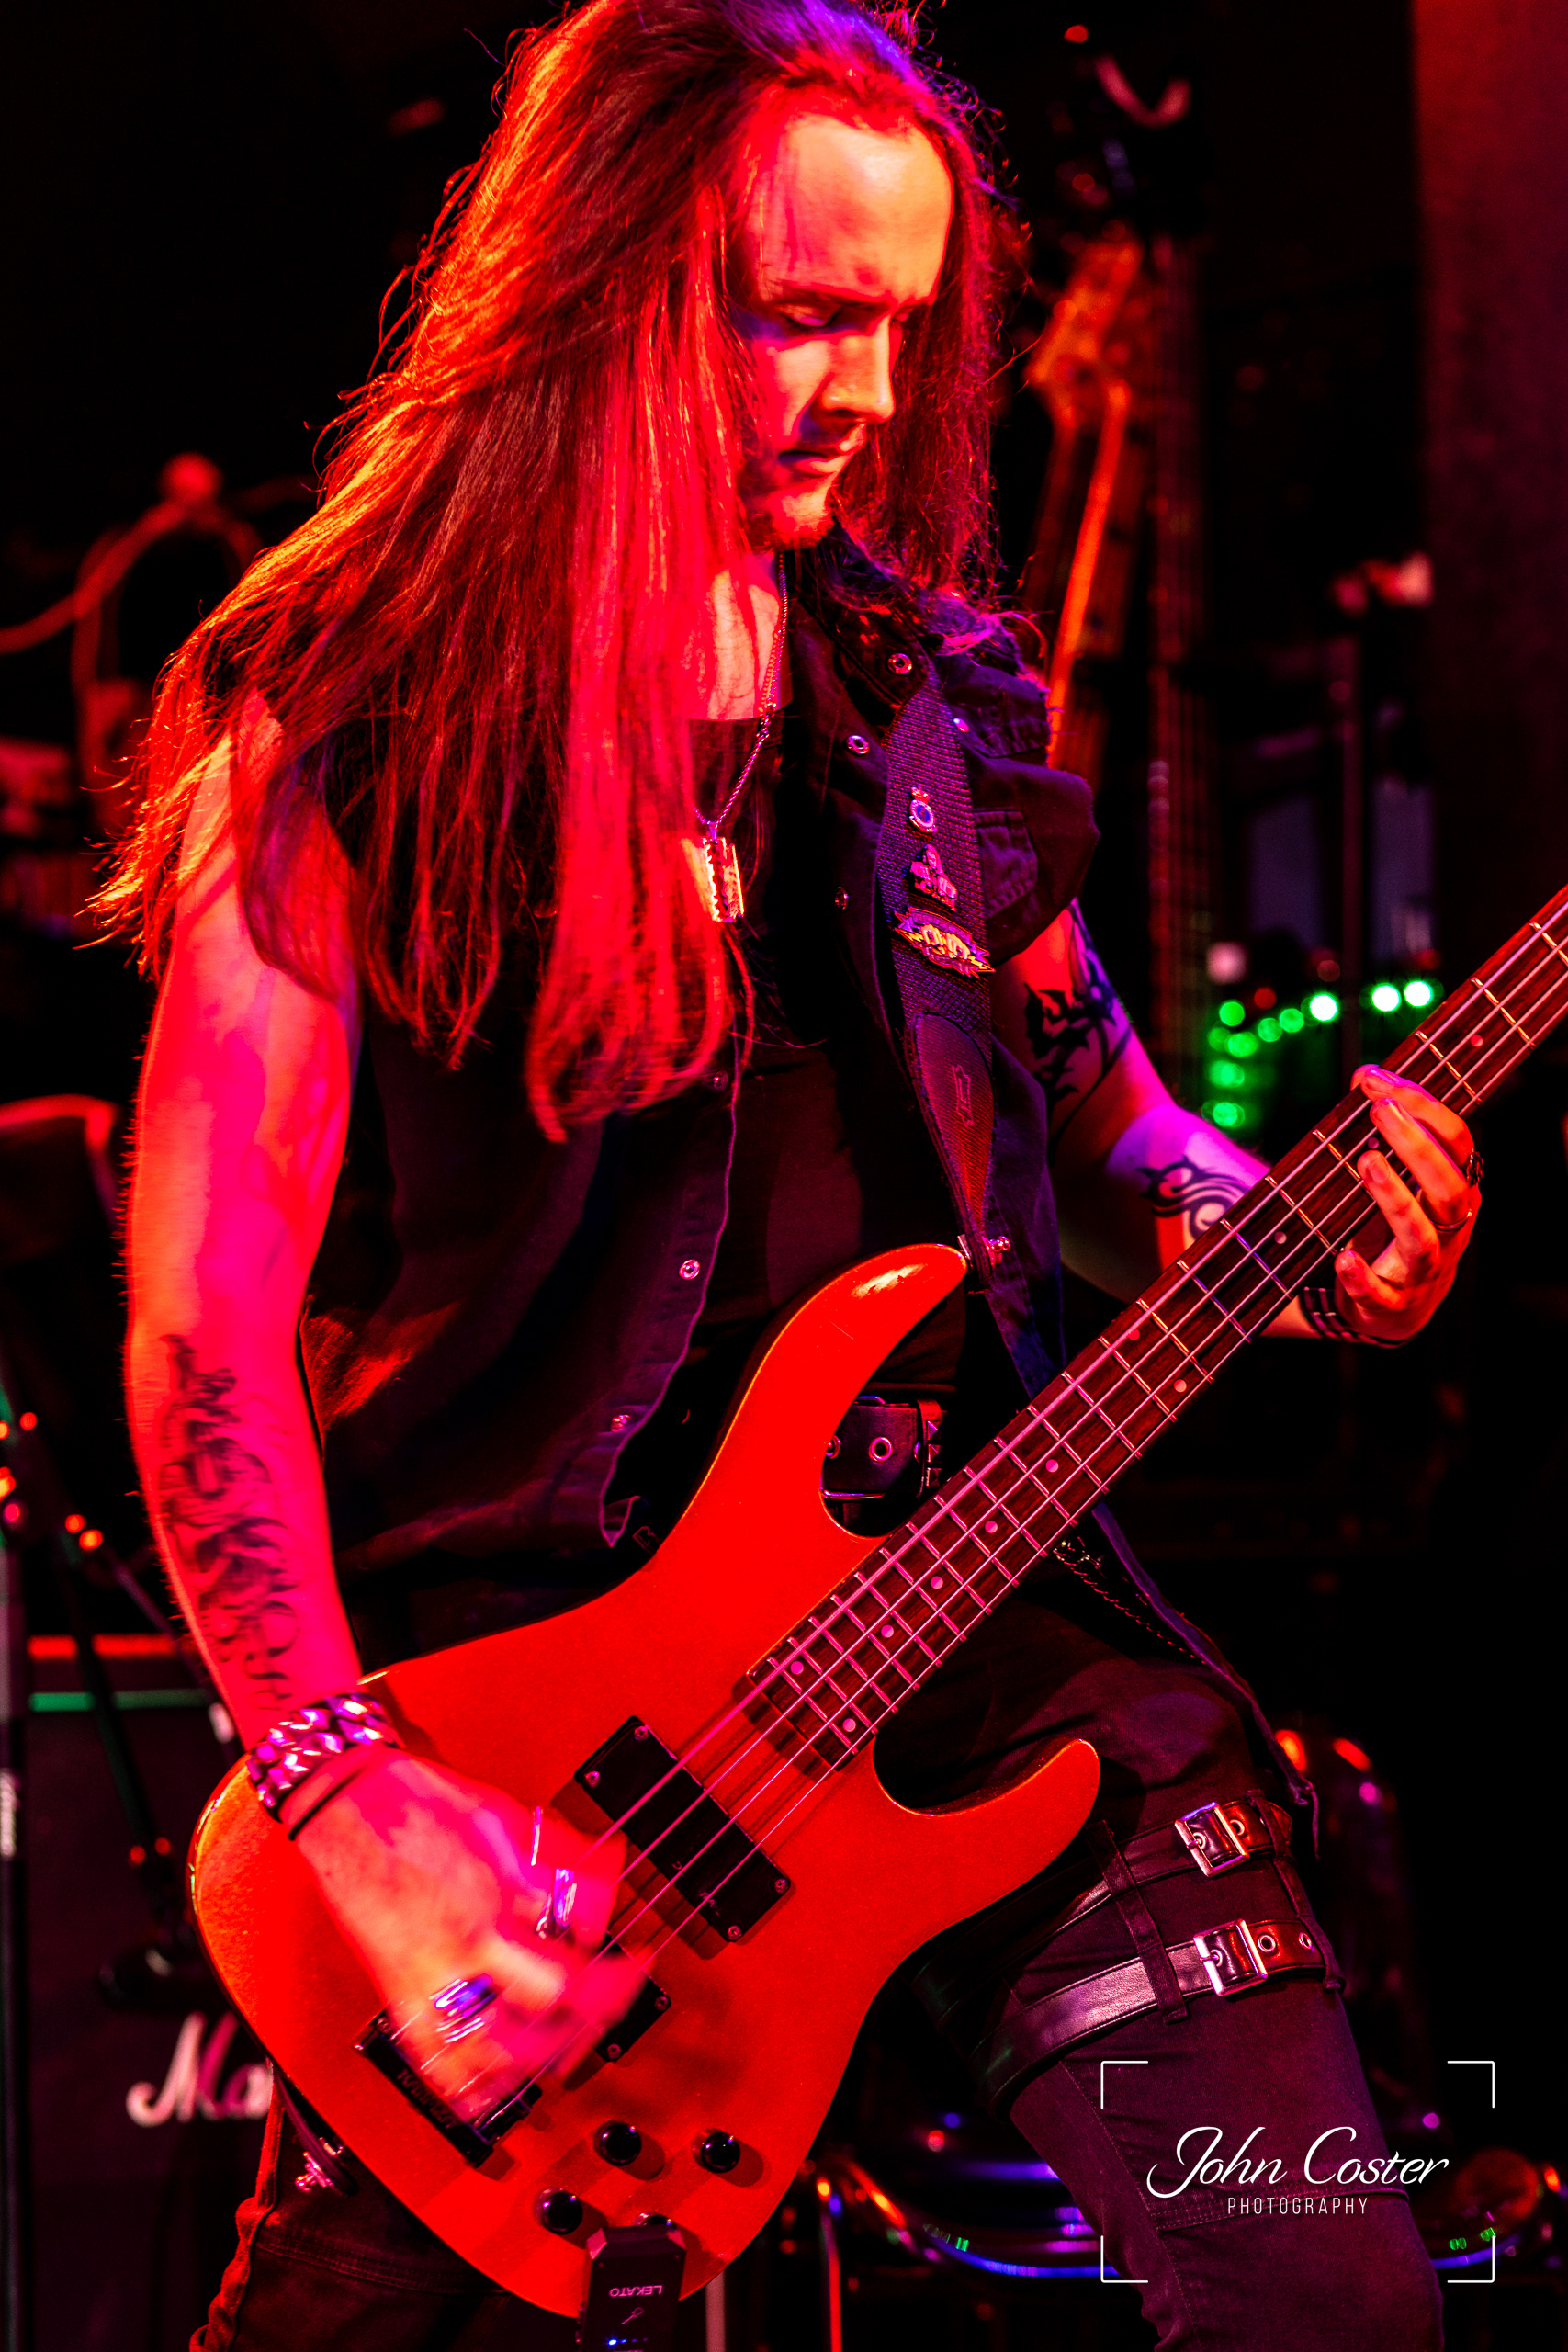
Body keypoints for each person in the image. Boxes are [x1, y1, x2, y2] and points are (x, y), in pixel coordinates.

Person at [109, 2, 1476, 2344]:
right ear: (597, 284)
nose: (858, 390)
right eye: (790, 314)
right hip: (554, 1751)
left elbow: (1115, 1134)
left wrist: (1288, 1236)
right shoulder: (344, 722)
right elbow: (201, 1321)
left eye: (899, 326)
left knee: (1330, 2289)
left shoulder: (932, 703)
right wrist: (354, 1797)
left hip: (967, 1654)